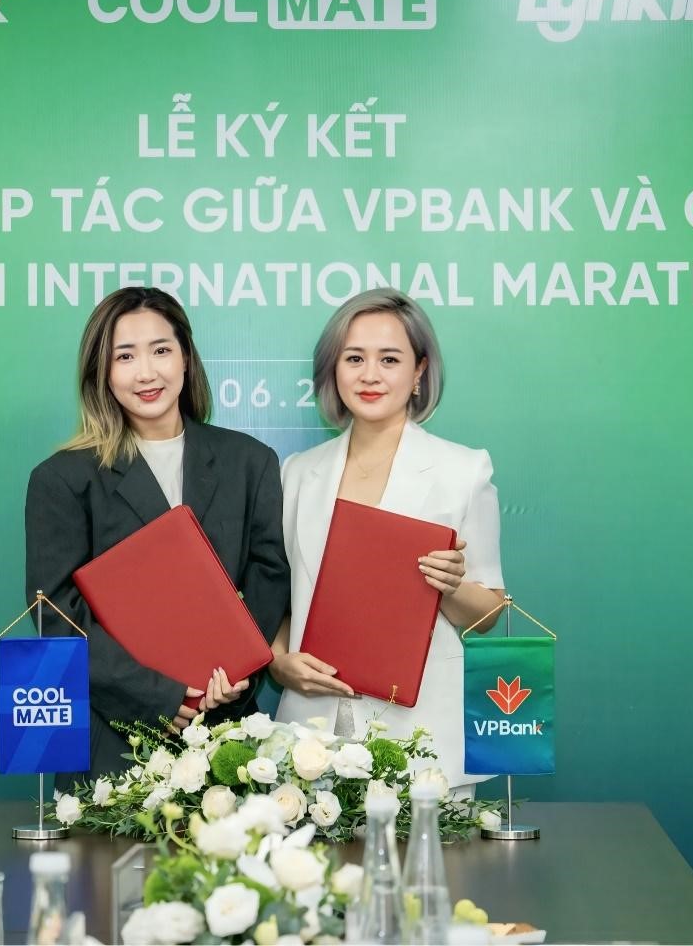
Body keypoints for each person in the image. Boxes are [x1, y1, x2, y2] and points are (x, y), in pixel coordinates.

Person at [27, 287, 291, 782]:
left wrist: (236, 670)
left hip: (228, 732)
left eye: (161, 350)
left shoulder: (249, 462)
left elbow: (268, 575)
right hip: (114, 740)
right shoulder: (63, 479)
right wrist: (159, 696)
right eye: (125, 356)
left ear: (186, 357)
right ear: (102, 372)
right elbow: (56, 615)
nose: (146, 372)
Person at [270, 288, 507, 795]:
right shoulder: (298, 473)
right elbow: (289, 599)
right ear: (334, 369)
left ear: (420, 371)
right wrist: (279, 661)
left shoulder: (463, 470)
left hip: (424, 741)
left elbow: (489, 614)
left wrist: (451, 585)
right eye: (354, 358)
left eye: (390, 359)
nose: (370, 375)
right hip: (310, 738)